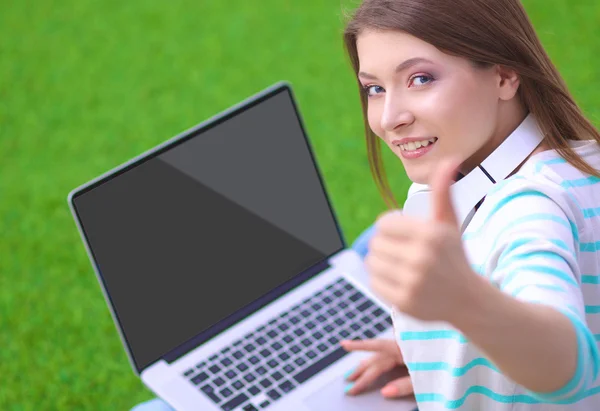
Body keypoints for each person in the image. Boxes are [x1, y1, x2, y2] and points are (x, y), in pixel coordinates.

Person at [132, 0, 600, 409]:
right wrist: (455, 352)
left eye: (419, 78)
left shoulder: (527, 208)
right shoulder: (579, 162)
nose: (389, 119)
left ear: (504, 74)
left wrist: (464, 303)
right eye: (374, 88)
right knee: (375, 242)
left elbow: (569, 364)